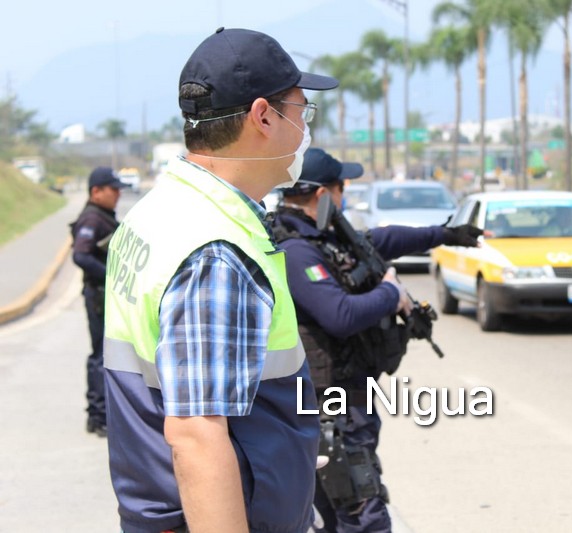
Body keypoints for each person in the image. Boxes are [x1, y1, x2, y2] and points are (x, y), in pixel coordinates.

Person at [102, 28, 338, 533]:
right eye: (303, 111)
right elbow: (197, 437)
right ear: (263, 116)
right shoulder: (216, 249)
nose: (305, 129)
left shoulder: (159, 210)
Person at [271, 148, 483, 533]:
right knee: (362, 515)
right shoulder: (296, 251)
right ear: (323, 194)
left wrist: (446, 234)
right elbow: (340, 315)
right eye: (342, 187)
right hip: (330, 407)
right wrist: (391, 293)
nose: (345, 195)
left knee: (336, 515)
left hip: (346, 401)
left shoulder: (324, 238)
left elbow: (383, 239)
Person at [69, 166, 128, 437]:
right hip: (98, 295)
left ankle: (100, 414)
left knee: (105, 354)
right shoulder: (92, 218)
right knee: (101, 356)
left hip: (103, 294)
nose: (117, 194)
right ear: (96, 191)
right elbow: (80, 255)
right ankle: (98, 415)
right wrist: (111, 275)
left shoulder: (102, 215)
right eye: (112, 190)